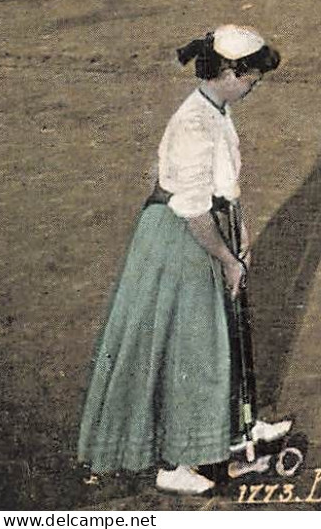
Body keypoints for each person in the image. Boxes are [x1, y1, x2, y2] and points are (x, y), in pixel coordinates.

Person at [77, 27, 291, 496]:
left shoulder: (215, 109)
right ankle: (176, 463)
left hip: (208, 227)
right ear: (231, 73)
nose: (255, 84)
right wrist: (227, 258)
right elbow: (191, 205)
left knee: (222, 338)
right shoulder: (194, 122)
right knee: (192, 350)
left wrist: (241, 234)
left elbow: (221, 188)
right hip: (182, 240)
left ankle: (238, 432)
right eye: (252, 76)